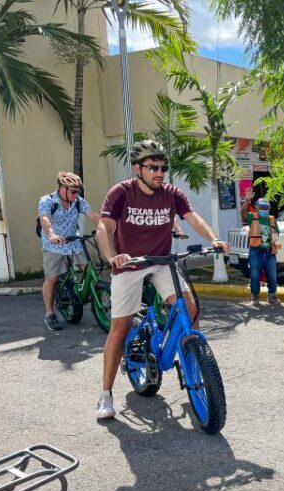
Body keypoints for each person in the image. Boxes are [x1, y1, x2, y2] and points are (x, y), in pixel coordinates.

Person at [94, 140, 230, 421]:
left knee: (189, 308)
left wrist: (214, 238)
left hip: (160, 262)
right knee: (119, 327)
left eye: (163, 168)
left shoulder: (171, 194)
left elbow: (192, 218)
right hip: (129, 264)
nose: (160, 173)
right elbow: (103, 228)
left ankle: (190, 357)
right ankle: (105, 394)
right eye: (153, 167)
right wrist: (113, 256)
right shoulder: (122, 193)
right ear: (137, 169)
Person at [38, 172, 101, 331]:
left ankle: (97, 301)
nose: (76, 194)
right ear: (62, 188)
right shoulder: (47, 201)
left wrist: (108, 226)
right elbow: (44, 219)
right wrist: (51, 235)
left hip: (73, 241)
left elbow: (92, 215)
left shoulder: (78, 201)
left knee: (89, 269)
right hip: (54, 244)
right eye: (73, 191)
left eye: (78, 191)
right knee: (51, 279)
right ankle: (50, 314)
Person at [247, 197, 281, 306]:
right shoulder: (252, 217)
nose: (264, 209)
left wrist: (272, 242)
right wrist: (247, 201)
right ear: (256, 207)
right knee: (255, 274)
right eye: (262, 207)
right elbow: (242, 212)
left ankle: (272, 296)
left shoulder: (271, 220)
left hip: (269, 252)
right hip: (255, 252)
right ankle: (255, 297)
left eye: (266, 207)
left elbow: (276, 235)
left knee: (272, 274)